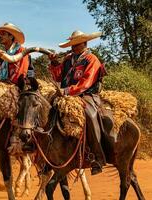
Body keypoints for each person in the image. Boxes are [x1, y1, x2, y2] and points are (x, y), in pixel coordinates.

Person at [48, 30, 107, 175]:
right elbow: (57, 76)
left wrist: (67, 91)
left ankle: (98, 157)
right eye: (72, 44)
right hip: (67, 95)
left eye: (76, 44)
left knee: (89, 114)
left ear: (84, 43)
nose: (73, 47)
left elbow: (86, 83)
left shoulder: (92, 59)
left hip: (87, 96)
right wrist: (54, 62)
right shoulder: (68, 59)